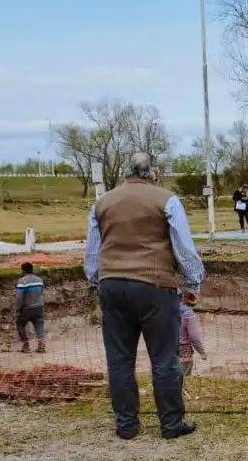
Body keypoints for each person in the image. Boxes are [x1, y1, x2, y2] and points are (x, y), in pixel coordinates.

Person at [84, 152, 205, 440]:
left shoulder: (101, 203)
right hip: (155, 286)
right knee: (164, 358)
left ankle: (127, 425)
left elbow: (92, 253)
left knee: (119, 360)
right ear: (153, 172)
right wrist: (192, 284)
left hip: (112, 286)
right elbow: (184, 248)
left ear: (127, 171)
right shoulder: (167, 200)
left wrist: (97, 279)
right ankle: (171, 424)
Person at [14, 262, 46, 354]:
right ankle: (41, 346)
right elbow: (41, 293)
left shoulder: (22, 281)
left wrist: (18, 309)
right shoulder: (39, 280)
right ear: (32, 269)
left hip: (27, 309)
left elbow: (19, 298)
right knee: (39, 326)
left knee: (20, 324)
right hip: (39, 307)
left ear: (23, 270)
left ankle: (26, 346)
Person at [179, 291, 207, 376]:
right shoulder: (187, 313)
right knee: (183, 377)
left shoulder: (165, 309)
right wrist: (201, 352)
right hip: (183, 348)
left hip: (166, 347)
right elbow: (194, 335)